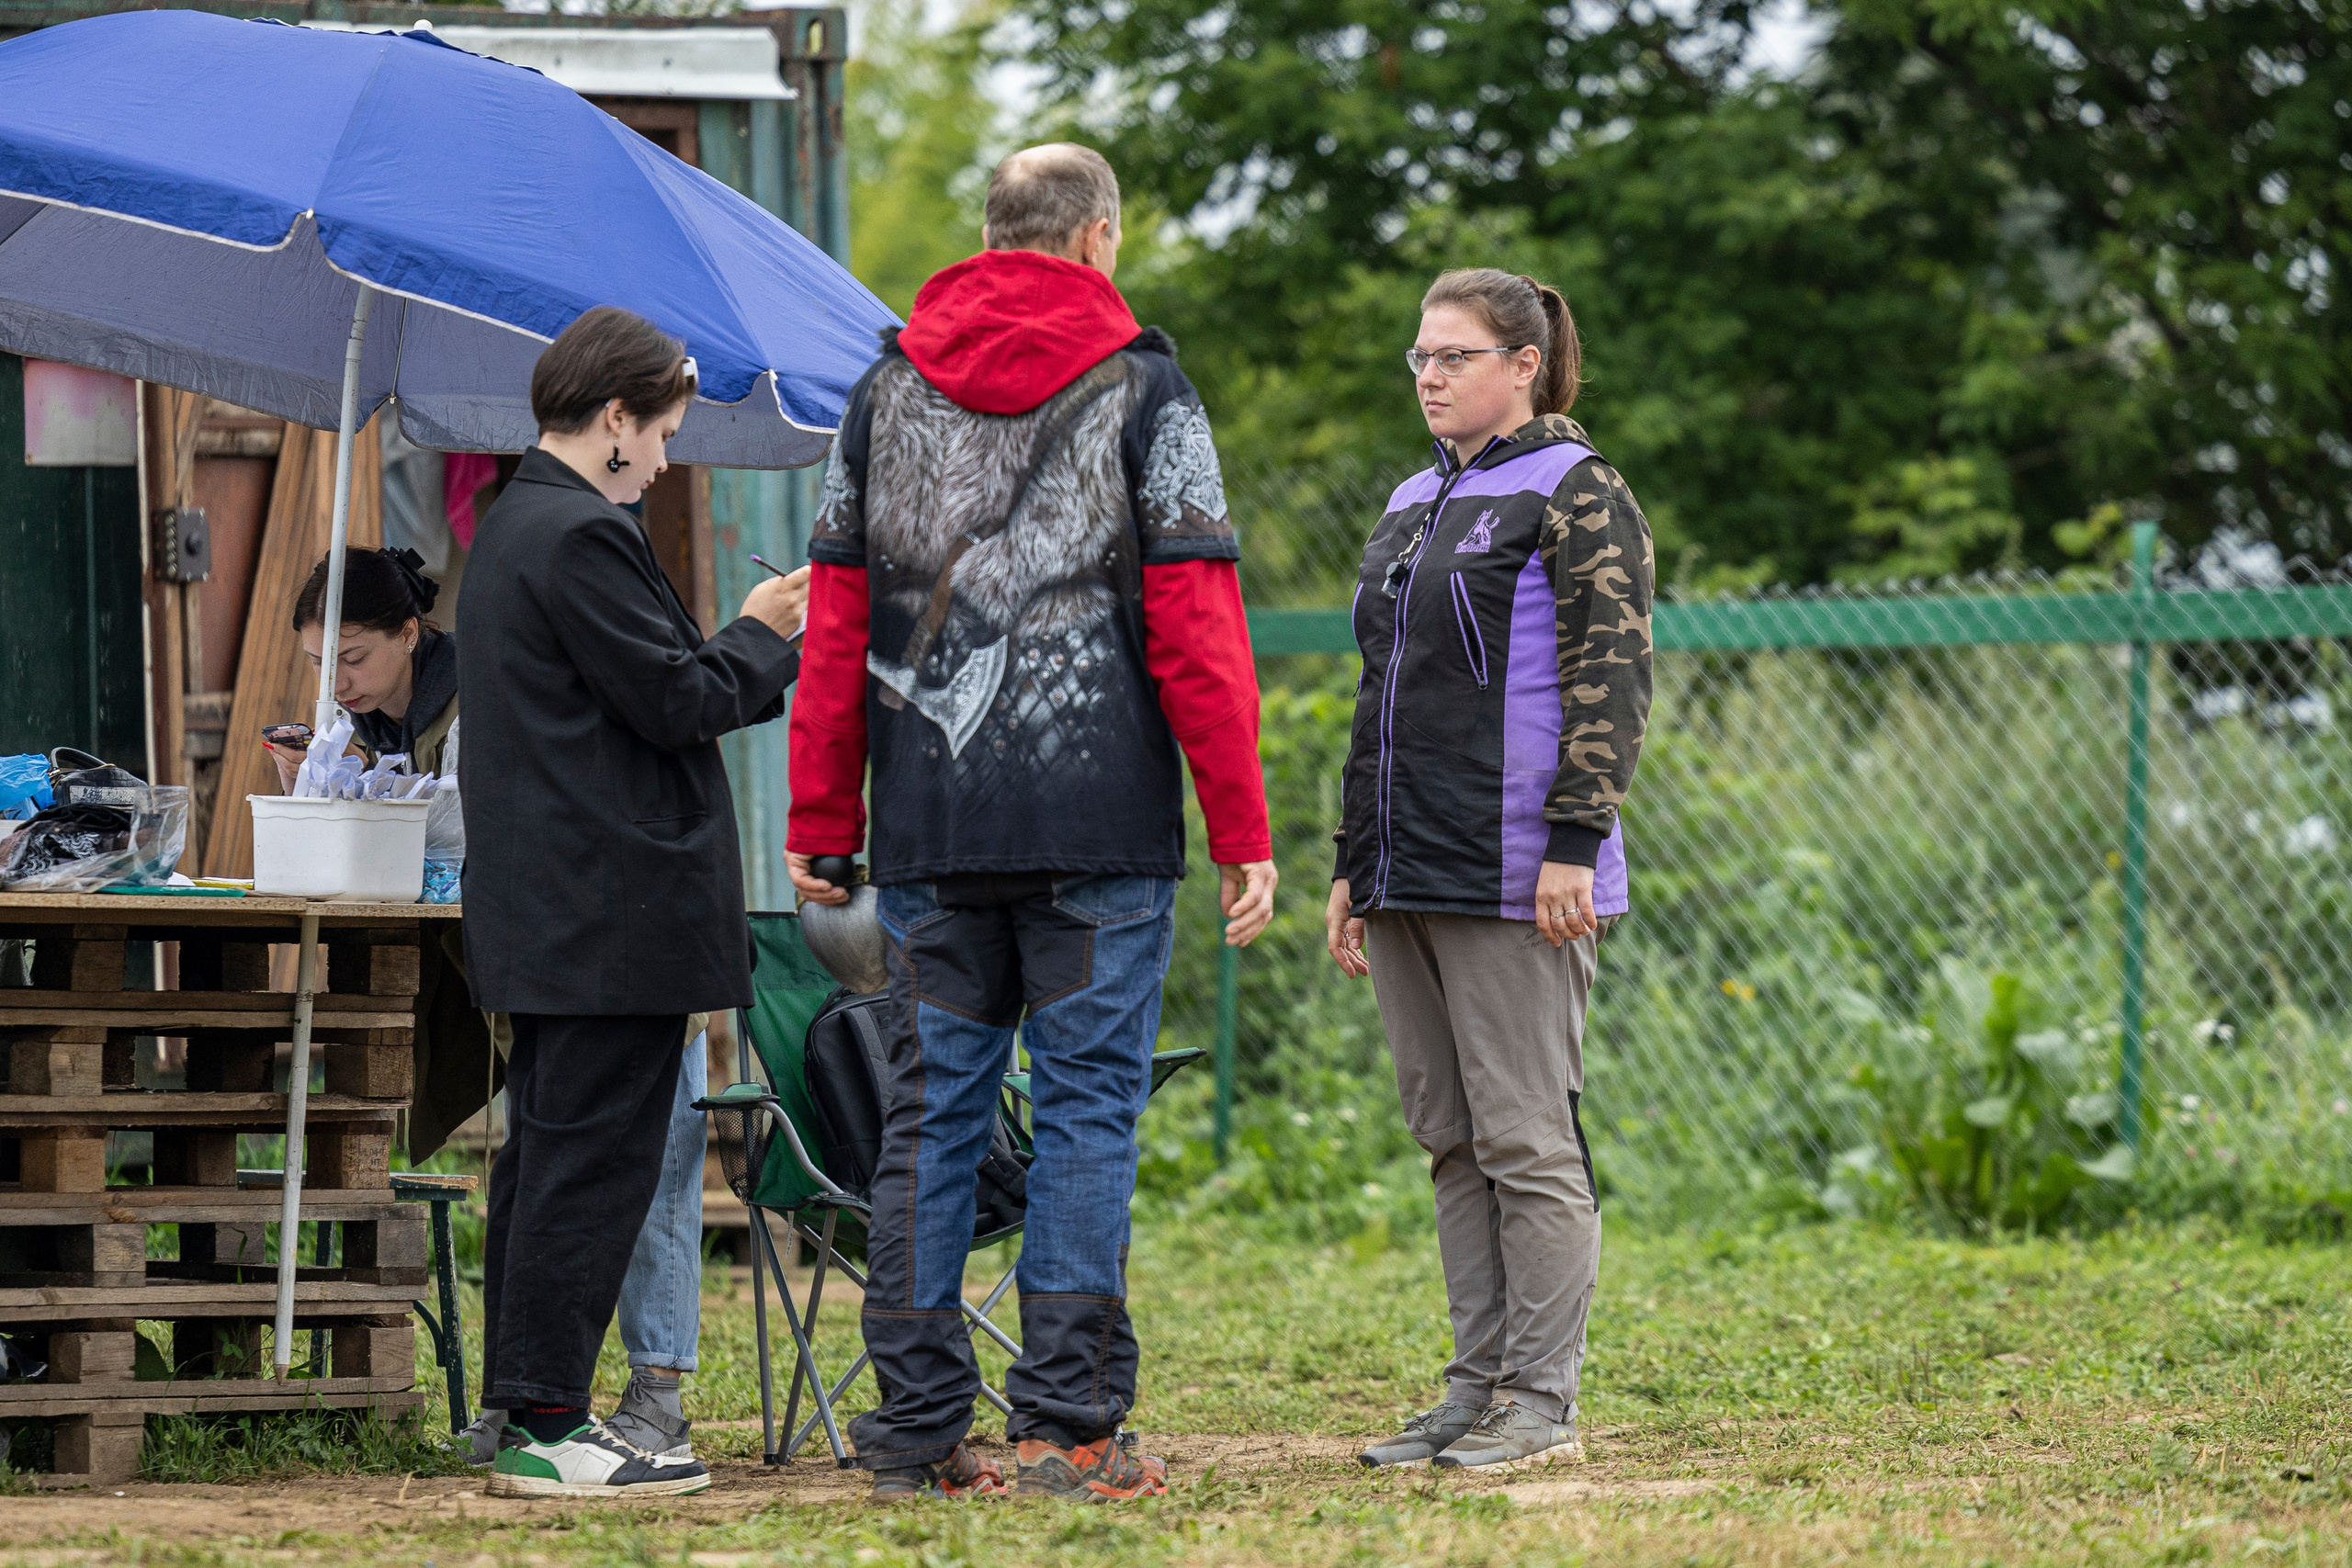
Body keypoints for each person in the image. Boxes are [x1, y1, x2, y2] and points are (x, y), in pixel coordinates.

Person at [786, 142, 1276, 1502]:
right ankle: (1068, 1427)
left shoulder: (881, 395)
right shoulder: (1148, 390)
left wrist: (824, 814)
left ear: (993, 231)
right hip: (1099, 831)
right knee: (1085, 1115)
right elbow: (1196, 626)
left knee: (930, 1119)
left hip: (930, 829)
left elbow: (836, 618)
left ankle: (914, 1432)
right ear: (1098, 235)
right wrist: (1241, 825)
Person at [273, 547, 746, 1469]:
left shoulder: (492, 690)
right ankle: (522, 1397)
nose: (337, 681)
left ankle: (658, 1394)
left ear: (412, 634)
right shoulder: (363, 718)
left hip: (632, 939)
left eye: (354, 657)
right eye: (321, 662)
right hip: (542, 962)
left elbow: (477, 816)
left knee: (656, 1168)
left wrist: (369, 799)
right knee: (535, 1180)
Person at [459, 306, 807, 1500]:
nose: (665, 457)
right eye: (660, 433)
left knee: (549, 1157)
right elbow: (674, 699)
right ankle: (552, 1423)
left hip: (558, 908)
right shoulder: (580, 534)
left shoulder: (516, 523)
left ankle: (521, 1407)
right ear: (615, 418)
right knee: (589, 1168)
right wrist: (761, 635)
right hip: (606, 914)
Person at [1329, 269, 1653, 1472]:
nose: (1429, 375)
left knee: (1526, 1138)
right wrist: (1351, 862)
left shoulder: (1577, 487)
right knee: (1451, 1139)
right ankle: (1474, 1388)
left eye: (1454, 355)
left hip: (1519, 867)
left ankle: (1541, 1399)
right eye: (1419, 355)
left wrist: (1576, 839)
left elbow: (1611, 676)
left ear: (1523, 364)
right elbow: (1380, 691)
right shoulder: (1412, 499)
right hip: (1405, 866)